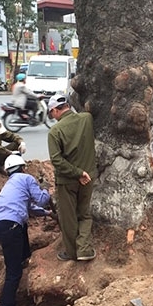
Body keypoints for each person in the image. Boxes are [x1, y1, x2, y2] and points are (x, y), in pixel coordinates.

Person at [0, 154, 51, 306]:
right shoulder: (26, 178)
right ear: (22, 168)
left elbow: (30, 208)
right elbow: (41, 200)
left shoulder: (10, 184)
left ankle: (23, 258)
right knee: (13, 271)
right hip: (10, 224)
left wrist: (47, 214)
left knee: (21, 227)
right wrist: (46, 190)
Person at [47, 94, 98, 261]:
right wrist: (83, 173)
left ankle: (71, 252)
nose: (52, 117)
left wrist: (77, 173)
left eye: (51, 113)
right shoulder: (87, 119)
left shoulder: (55, 131)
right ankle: (84, 250)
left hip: (67, 180)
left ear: (55, 110)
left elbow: (56, 160)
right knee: (84, 214)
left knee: (68, 218)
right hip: (88, 177)